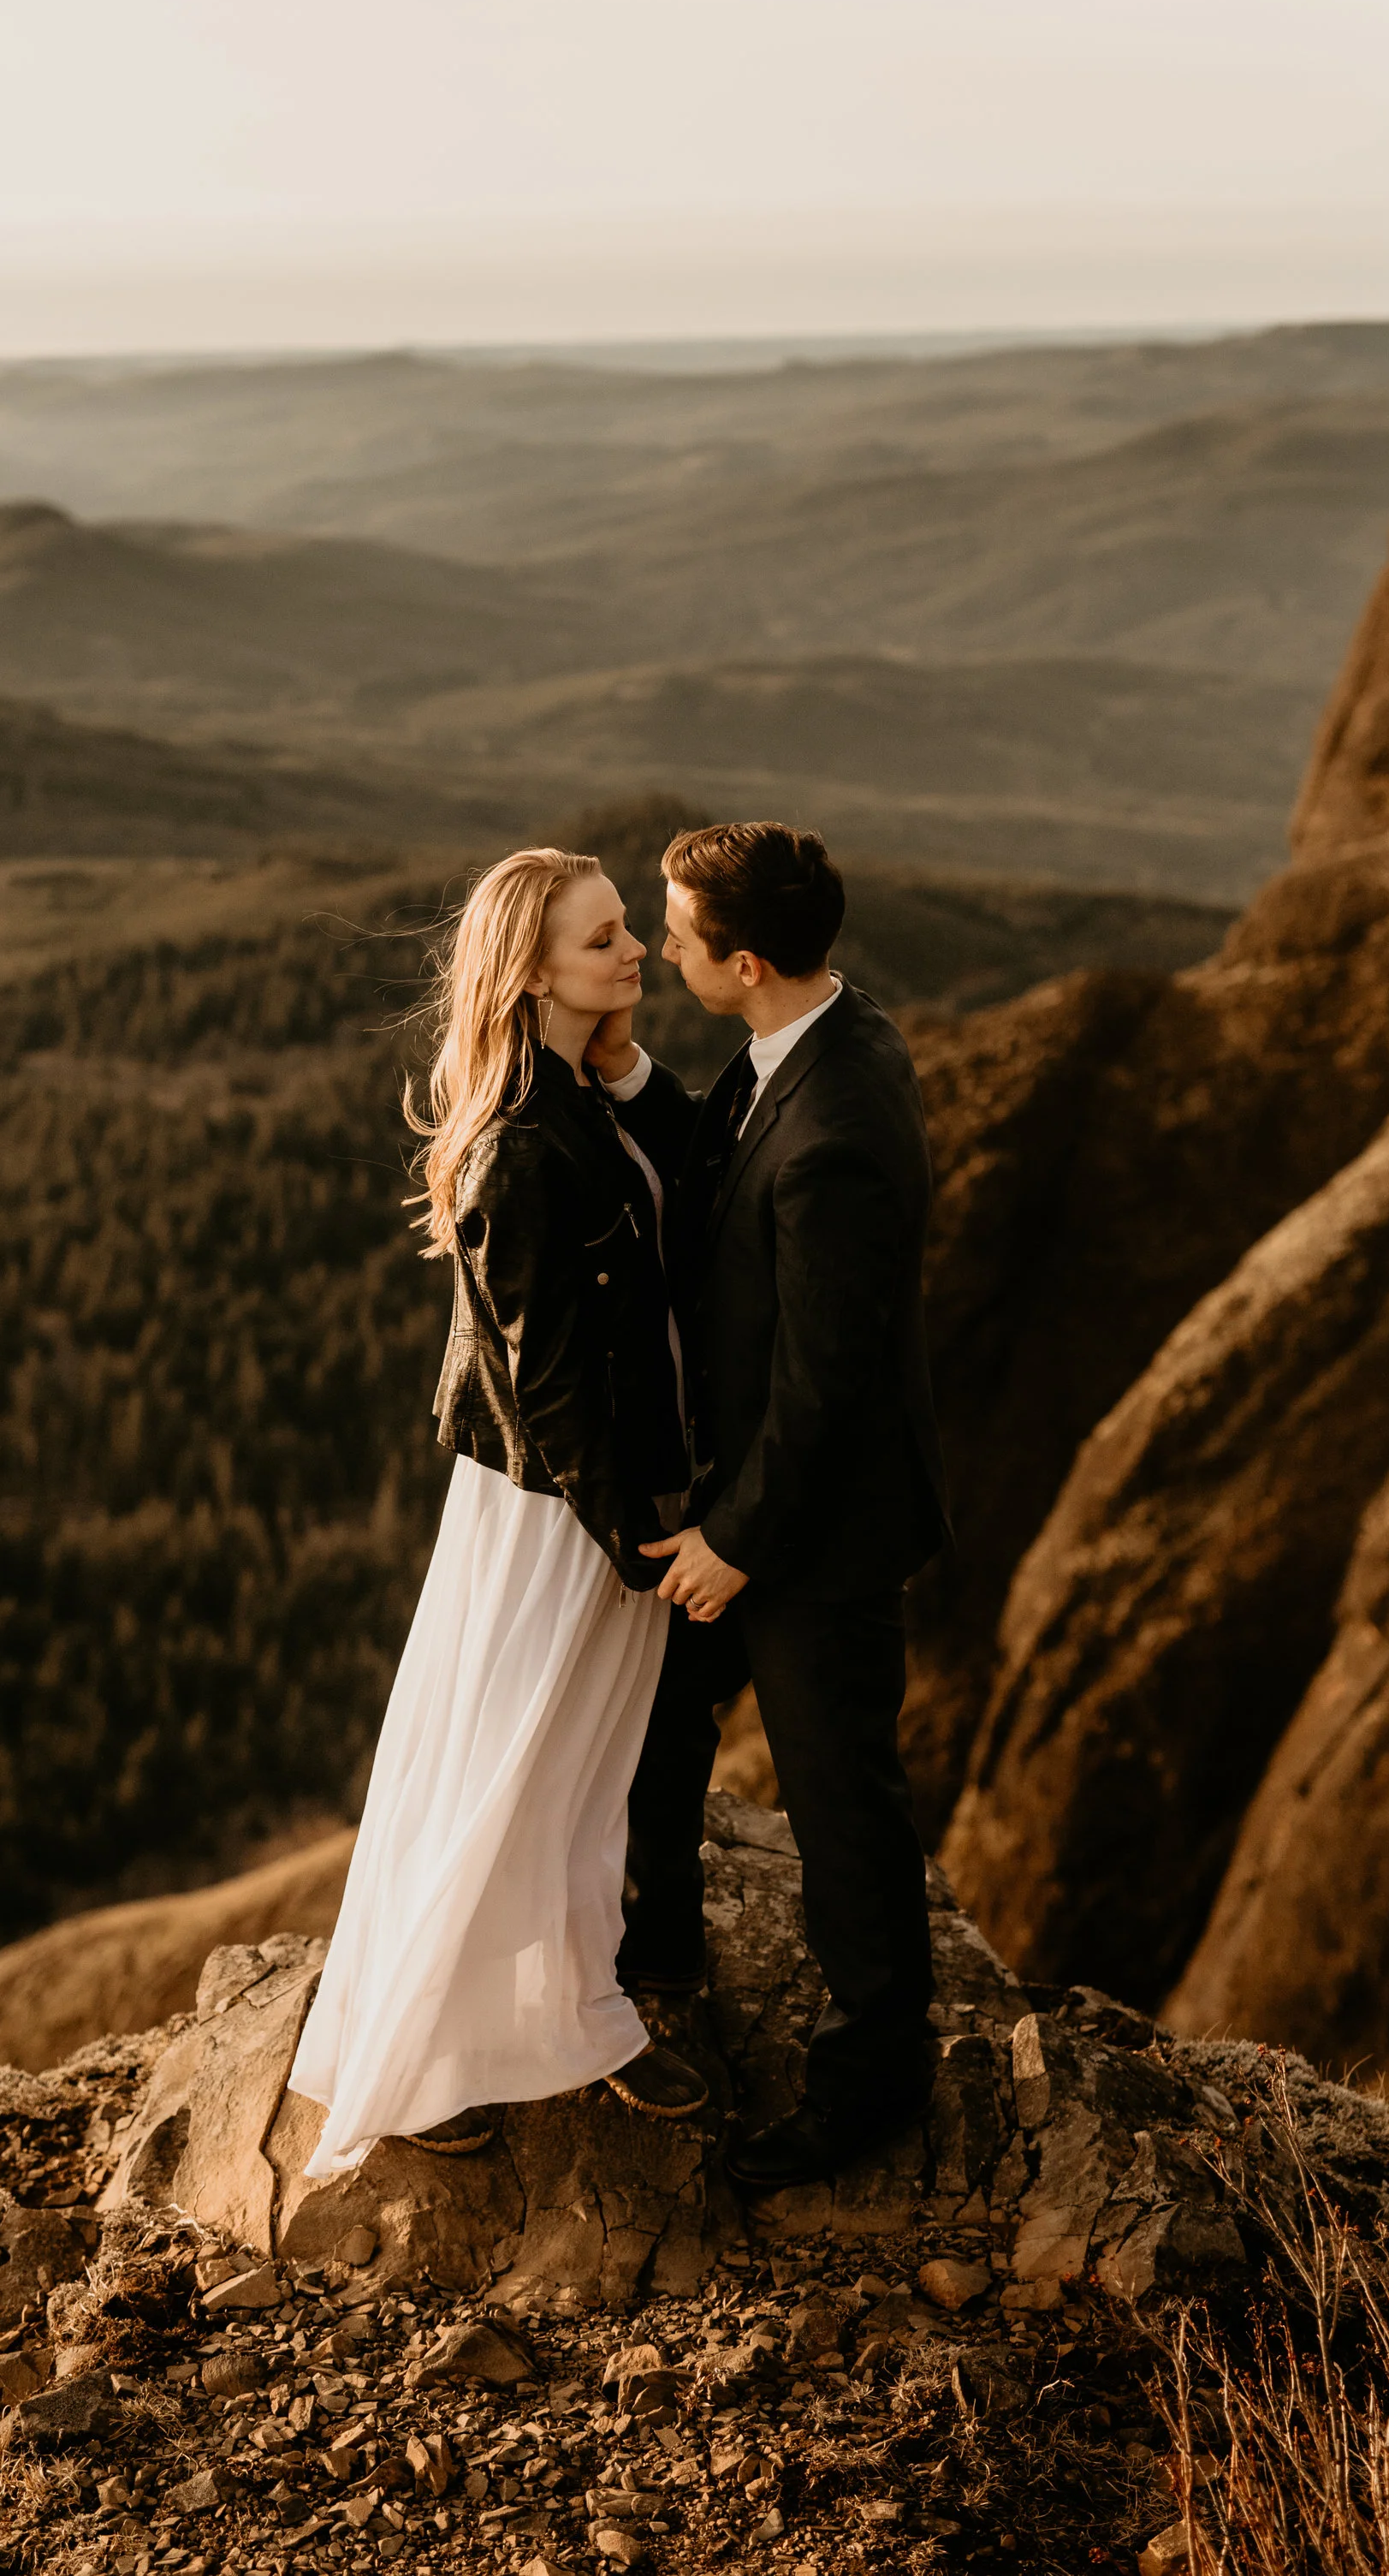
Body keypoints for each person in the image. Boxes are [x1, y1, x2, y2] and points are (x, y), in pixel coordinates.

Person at [289, 846, 710, 2172]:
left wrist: (628, 1055)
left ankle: (552, 2016)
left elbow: (686, 1173)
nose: (634, 947)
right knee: (521, 1769)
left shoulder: (578, 1096)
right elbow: (547, 1380)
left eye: (630, 929)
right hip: (559, 1510)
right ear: (531, 968)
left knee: (572, 1768)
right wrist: (632, 1529)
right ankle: (433, 2054)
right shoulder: (522, 1141)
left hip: (576, 1498)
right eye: (603, 940)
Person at [597, 819, 951, 2190]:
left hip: (817, 1527)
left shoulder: (841, 1131)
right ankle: (661, 1947)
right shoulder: (807, 1040)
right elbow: (723, 1156)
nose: (659, 945)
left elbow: (830, 1385)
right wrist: (629, 1076)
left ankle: (872, 2082)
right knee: (656, 1713)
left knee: (839, 1797)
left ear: (743, 961)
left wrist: (735, 1543)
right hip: (750, 1498)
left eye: (676, 934)